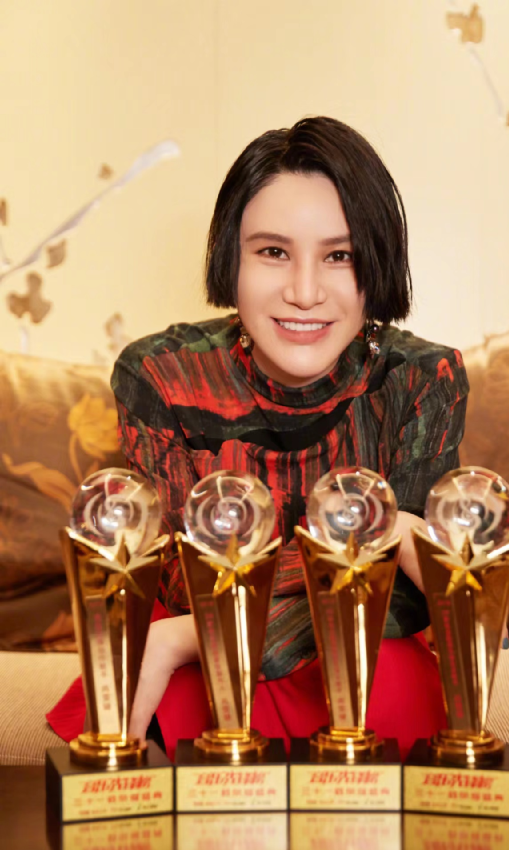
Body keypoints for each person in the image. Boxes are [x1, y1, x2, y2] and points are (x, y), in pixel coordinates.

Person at [47, 116, 468, 758]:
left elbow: (413, 598)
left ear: (377, 262)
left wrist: (174, 642)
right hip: (209, 655)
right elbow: (178, 585)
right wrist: (388, 532)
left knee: (385, 673)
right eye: (273, 252)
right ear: (231, 257)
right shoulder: (160, 374)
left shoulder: (422, 378)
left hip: (323, 653)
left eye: (340, 255)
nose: (305, 292)